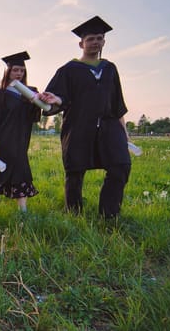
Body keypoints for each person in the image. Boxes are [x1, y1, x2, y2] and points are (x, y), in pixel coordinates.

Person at [39, 16, 131, 219]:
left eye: (99, 38)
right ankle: (74, 213)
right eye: (91, 38)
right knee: (75, 171)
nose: (96, 42)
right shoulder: (68, 70)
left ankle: (109, 214)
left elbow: (117, 104)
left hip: (109, 126)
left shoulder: (109, 69)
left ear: (104, 42)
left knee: (121, 165)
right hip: (79, 127)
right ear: (81, 43)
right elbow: (57, 98)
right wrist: (55, 99)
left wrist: (124, 134)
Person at [0, 51, 41, 212]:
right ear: (8, 72)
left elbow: (35, 118)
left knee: (7, 169)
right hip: (6, 139)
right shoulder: (0, 95)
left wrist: (35, 102)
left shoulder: (30, 92)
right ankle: (23, 211)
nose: (19, 74)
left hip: (22, 138)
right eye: (15, 70)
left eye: (22, 71)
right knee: (18, 168)